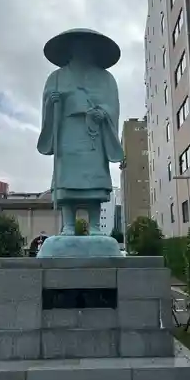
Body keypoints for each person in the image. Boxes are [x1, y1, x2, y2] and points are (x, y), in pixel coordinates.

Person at [37, 29, 124, 236]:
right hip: (67, 133)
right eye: (77, 46)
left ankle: (95, 225)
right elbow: (47, 104)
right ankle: (67, 225)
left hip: (93, 133)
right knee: (67, 179)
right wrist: (52, 103)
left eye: (87, 46)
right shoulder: (56, 77)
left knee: (94, 180)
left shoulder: (106, 79)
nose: (82, 50)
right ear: (70, 50)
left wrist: (103, 113)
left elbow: (112, 105)